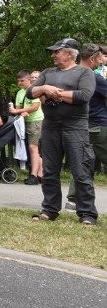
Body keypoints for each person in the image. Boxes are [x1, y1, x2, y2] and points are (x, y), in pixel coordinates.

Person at [27, 38, 97, 225]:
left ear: (69, 53)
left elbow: (83, 96)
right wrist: (44, 88)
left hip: (75, 128)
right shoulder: (47, 73)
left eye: (56, 52)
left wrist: (52, 94)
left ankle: (87, 214)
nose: (53, 55)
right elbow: (30, 92)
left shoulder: (84, 72)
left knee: (81, 172)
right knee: (49, 171)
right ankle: (49, 210)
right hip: (50, 127)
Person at [64, 43, 107, 210]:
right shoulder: (94, 77)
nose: (101, 62)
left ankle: (73, 201)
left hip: (79, 125)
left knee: (82, 163)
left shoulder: (71, 75)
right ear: (92, 58)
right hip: (99, 125)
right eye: (100, 58)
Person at [9, 70, 44, 185]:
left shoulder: (34, 90)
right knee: (33, 148)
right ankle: (39, 174)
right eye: (18, 81)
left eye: (22, 81)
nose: (20, 83)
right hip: (25, 122)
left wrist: (18, 111)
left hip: (36, 121)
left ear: (29, 80)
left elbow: (35, 107)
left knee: (33, 147)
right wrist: (18, 112)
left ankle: (34, 175)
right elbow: (19, 108)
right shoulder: (20, 92)